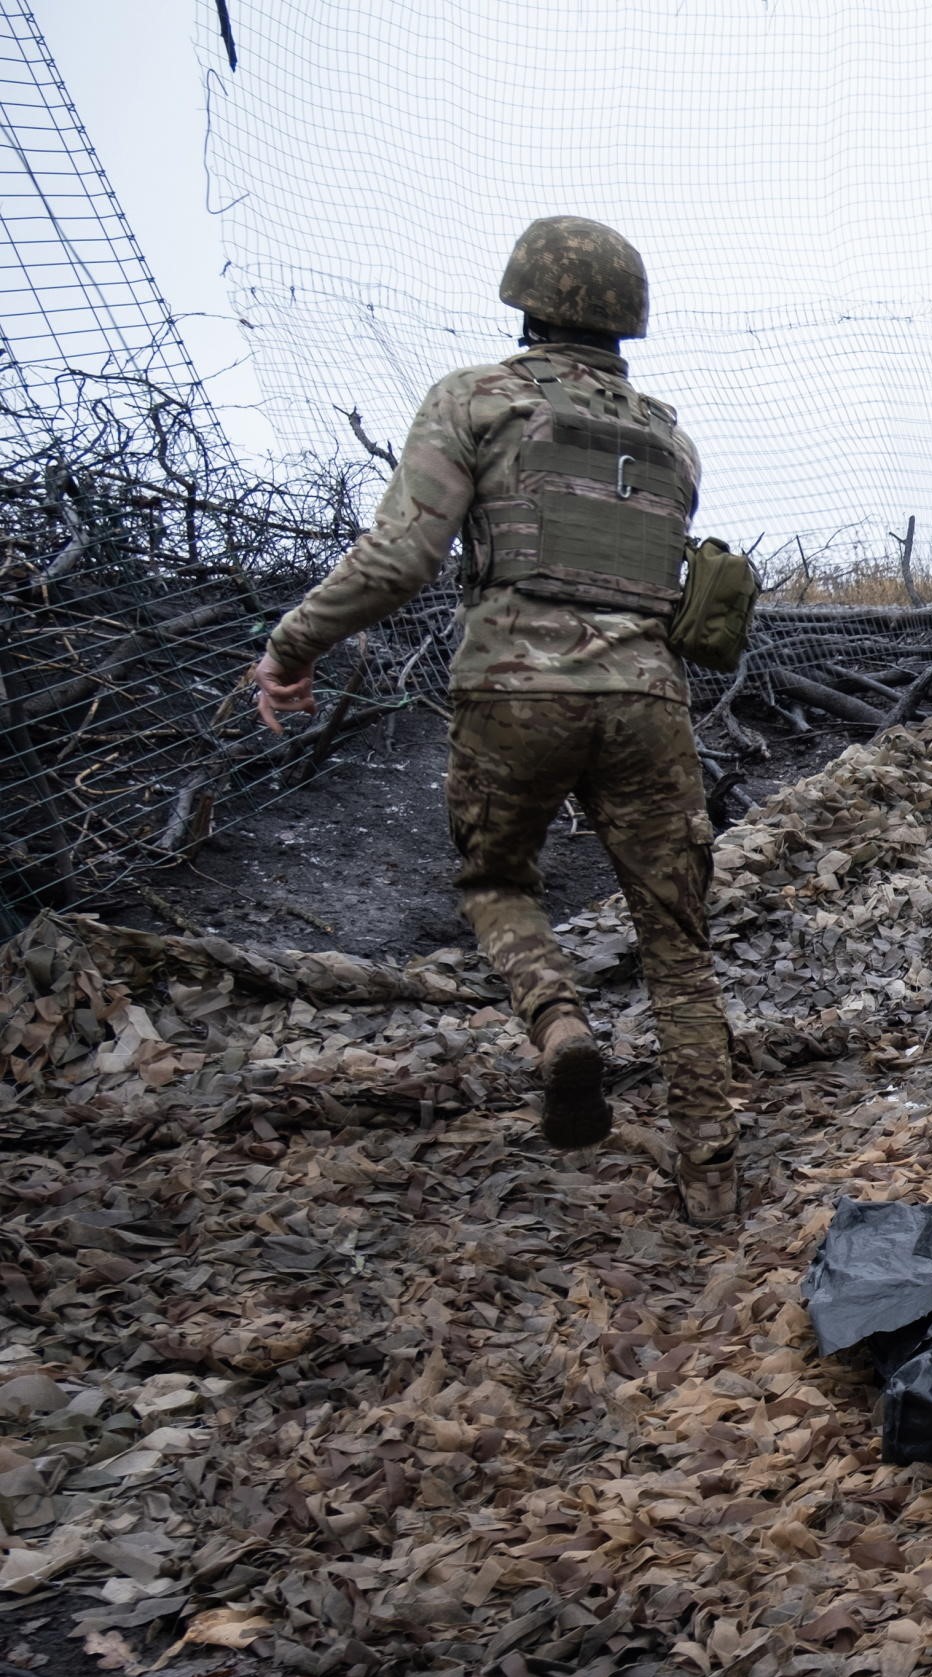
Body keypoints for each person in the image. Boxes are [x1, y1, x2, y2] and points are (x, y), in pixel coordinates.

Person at [248, 216, 738, 1223]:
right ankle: (715, 1182)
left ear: (526, 300)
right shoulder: (672, 440)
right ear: (626, 319)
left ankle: (560, 1028)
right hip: (647, 703)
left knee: (496, 878)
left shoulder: (475, 400)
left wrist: (292, 647)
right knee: (678, 942)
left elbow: (398, 559)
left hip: (512, 694)